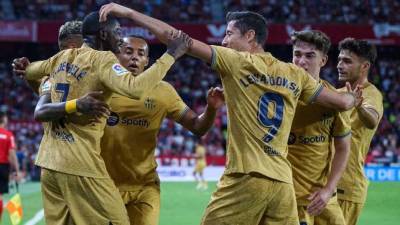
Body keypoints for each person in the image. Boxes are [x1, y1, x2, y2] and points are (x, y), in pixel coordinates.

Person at [98, 3, 363, 225]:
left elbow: (178, 39)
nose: (224, 40)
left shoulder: (236, 61)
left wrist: (129, 13)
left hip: (246, 176)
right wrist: (353, 96)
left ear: (249, 36)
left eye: (229, 34)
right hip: (283, 184)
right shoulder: (293, 72)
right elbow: (340, 101)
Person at [12, 12, 192, 225]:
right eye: (117, 32)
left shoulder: (60, 57)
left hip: (49, 164)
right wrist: (171, 54)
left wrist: (22, 66)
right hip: (80, 164)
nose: (120, 37)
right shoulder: (103, 59)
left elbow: (30, 70)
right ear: (104, 34)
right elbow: (135, 89)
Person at [99, 35, 224, 225]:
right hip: (104, 186)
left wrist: (211, 109)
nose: (135, 57)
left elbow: (198, 127)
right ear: (116, 56)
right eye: (128, 52)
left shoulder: (163, 91)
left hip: (145, 186)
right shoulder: (101, 87)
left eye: (141, 54)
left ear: (147, 61)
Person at [287, 30, 351, 225]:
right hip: (288, 199)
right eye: (297, 54)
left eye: (309, 56)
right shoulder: (279, 97)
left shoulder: (335, 101)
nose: (301, 61)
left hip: (323, 198)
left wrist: (329, 189)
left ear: (323, 61)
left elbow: (343, 148)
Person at [336, 38, 384, 225]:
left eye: (347, 61)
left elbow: (371, 120)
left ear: (364, 66)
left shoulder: (371, 94)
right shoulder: (337, 93)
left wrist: (359, 106)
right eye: (339, 59)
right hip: (324, 182)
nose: (340, 65)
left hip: (347, 185)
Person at [0, 111, 19, 223]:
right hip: (2, 166)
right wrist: (17, 170)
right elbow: (11, 154)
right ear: (3, 119)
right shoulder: (8, 135)